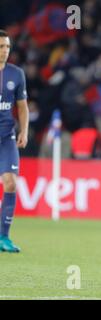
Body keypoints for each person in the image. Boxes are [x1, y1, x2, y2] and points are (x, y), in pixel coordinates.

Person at [0, 30, 29, 253]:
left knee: (10, 183)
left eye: (7, 47)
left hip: (6, 136)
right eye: (1, 47)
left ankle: (4, 237)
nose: (5, 51)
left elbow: (22, 106)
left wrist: (24, 131)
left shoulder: (16, 74)